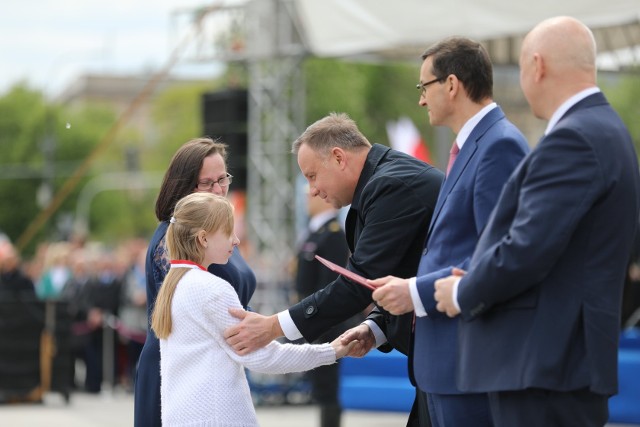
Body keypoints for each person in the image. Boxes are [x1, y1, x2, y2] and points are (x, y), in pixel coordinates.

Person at [433, 16, 640, 427]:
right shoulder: (604, 129)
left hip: (544, 364)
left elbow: (527, 247)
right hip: (560, 363)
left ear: (538, 66)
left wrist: (462, 291)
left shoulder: (575, 137)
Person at [224, 112, 444, 427]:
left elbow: (359, 283)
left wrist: (273, 326)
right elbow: (400, 273)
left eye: (312, 176)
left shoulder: (390, 185)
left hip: (456, 356)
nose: (312, 191)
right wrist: (375, 327)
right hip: (437, 357)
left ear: (339, 158)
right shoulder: (382, 181)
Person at [363, 37, 529, 427]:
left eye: (424, 87)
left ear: (451, 84)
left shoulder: (498, 146)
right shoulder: (474, 144)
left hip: (469, 361)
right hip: (447, 363)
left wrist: (415, 291)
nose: (421, 100)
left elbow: (498, 255)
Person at [151, 192, 354, 426]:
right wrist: (332, 351)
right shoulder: (211, 288)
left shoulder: (175, 282)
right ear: (204, 238)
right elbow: (262, 356)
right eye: (228, 231)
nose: (236, 240)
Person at [134, 137, 257, 427]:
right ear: (184, 186)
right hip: (179, 372)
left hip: (217, 365)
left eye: (222, 178)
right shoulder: (174, 237)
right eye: (207, 183)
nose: (218, 190)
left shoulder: (215, 230)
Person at [294, 188, 362, 427]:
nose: (306, 200)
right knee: (319, 385)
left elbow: (328, 285)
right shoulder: (314, 231)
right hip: (310, 317)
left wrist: (316, 322)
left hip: (324, 322)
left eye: (310, 195)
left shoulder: (332, 234)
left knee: (327, 385)